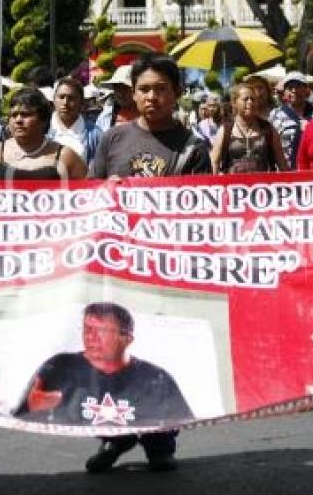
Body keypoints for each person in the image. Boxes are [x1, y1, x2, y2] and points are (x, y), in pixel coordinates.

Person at [88, 53, 211, 473]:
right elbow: (89, 195)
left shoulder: (194, 146)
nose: (152, 97)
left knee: (161, 351)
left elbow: (203, 208)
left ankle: (161, 438)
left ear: (176, 94)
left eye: (161, 89)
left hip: (166, 266)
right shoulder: (113, 139)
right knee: (112, 351)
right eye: (144, 89)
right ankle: (115, 435)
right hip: (117, 265)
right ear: (132, 93)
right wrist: (107, 189)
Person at [15, 302, 193, 425]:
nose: (90, 337)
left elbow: (182, 422)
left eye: (101, 330)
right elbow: (20, 418)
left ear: (126, 339)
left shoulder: (155, 378)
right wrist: (32, 407)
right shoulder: (59, 367)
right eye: (87, 329)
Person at [0, 87, 86, 181]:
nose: (18, 120)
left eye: (25, 114)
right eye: (13, 115)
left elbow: (87, 198)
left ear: (44, 120)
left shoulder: (66, 157)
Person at [212, 78, 288, 173]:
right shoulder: (225, 130)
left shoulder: (268, 129)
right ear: (234, 103)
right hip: (233, 186)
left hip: (262, 186)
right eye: (245, 99)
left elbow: (282, 162)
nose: (250, 102)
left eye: (253, 99)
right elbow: (214, 163)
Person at [269, 72, 313, 169]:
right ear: (284, 93)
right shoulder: (275, 115)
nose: (294, 91)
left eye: (298, 87)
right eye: (290, 88)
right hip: (285, 171)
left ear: (306, 90)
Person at [48, 77, 103, 167]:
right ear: (54, 100)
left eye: (71, 98)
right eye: (61, 97)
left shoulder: (95, 135)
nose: (65, 102)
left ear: (81, 102)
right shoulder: (42, 130)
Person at [96, 65, 138, 131]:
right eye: (118, 88)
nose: (121, 94)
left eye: (126, 88)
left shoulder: (148, 116)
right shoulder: (106, 116)